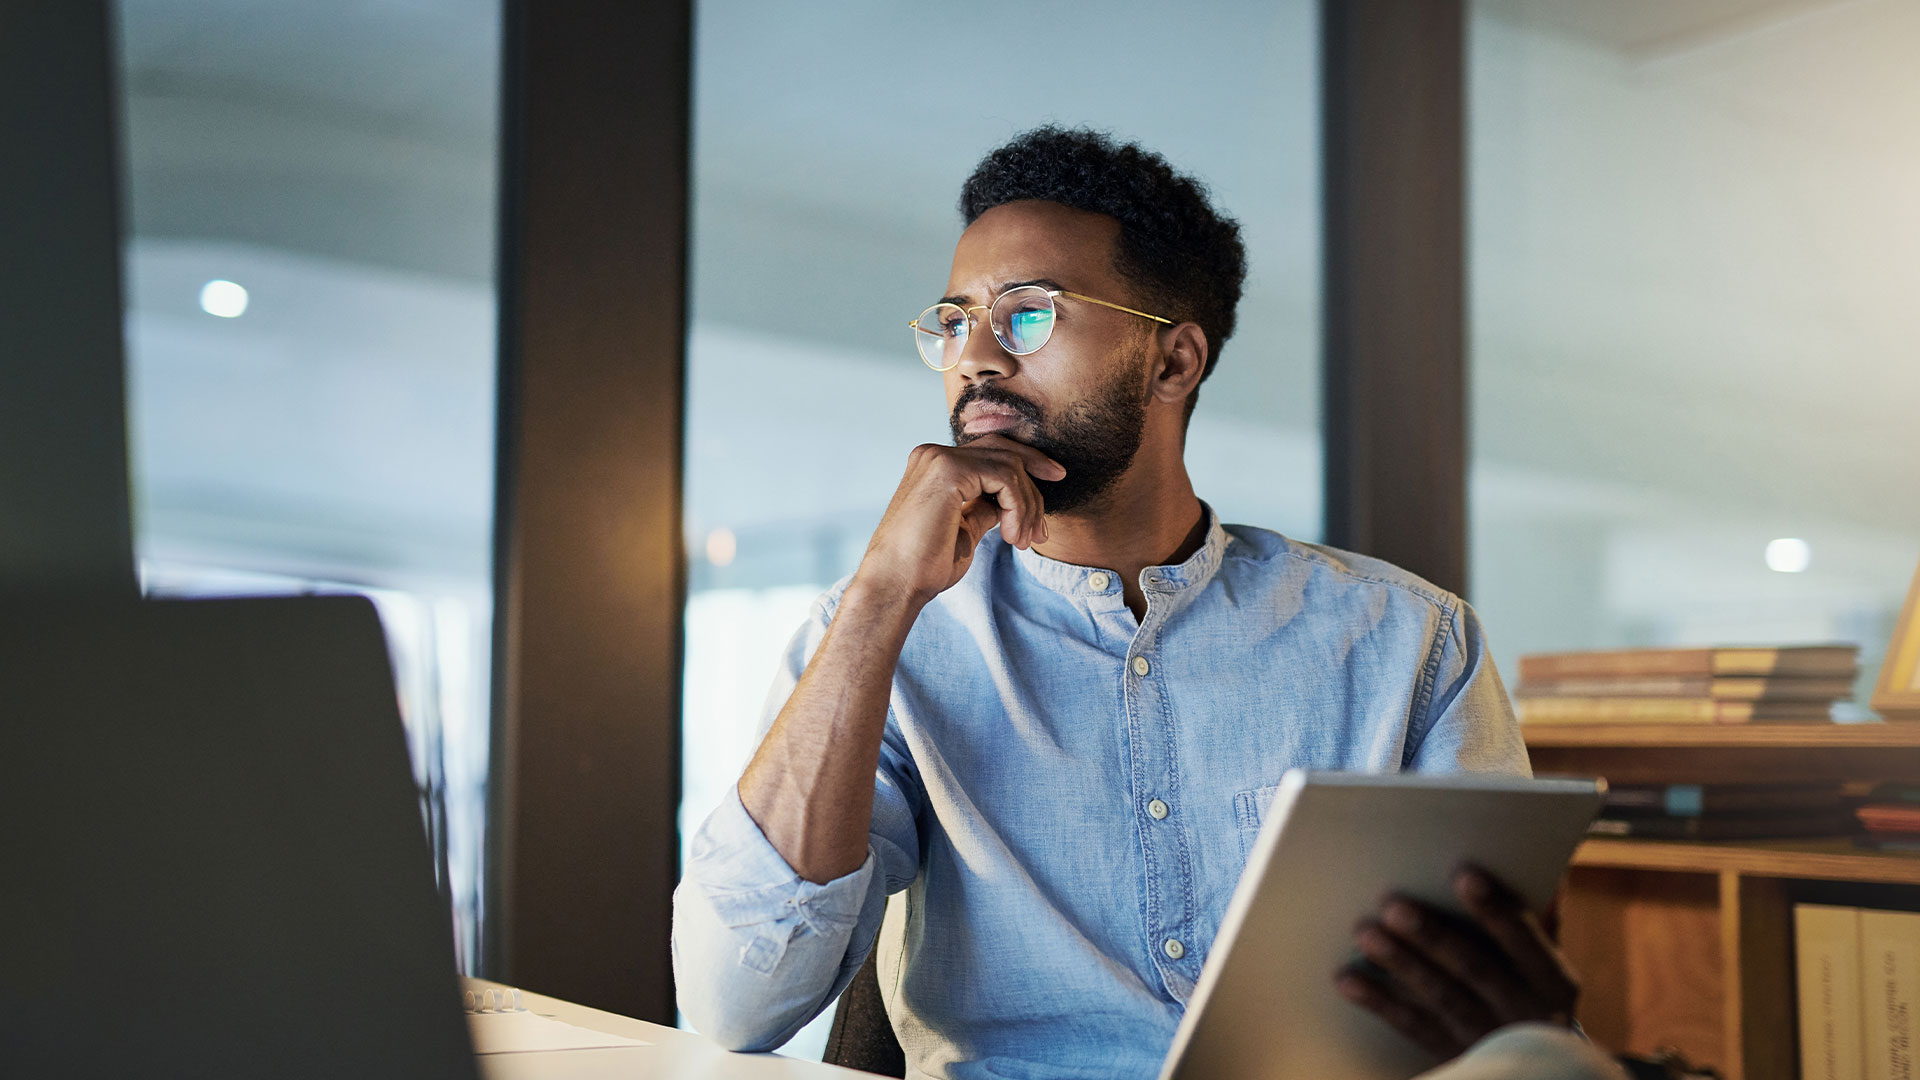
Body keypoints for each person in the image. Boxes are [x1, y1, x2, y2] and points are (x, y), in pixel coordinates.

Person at [672, 127, 1616, 1080]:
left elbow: (1494, 1015)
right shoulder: (890, 631)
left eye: (1030, 314)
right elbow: (738, 1006)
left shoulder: (1408, 641)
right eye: (957, 321)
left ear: (1173, 363)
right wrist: (878, 598)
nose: (979, 358)